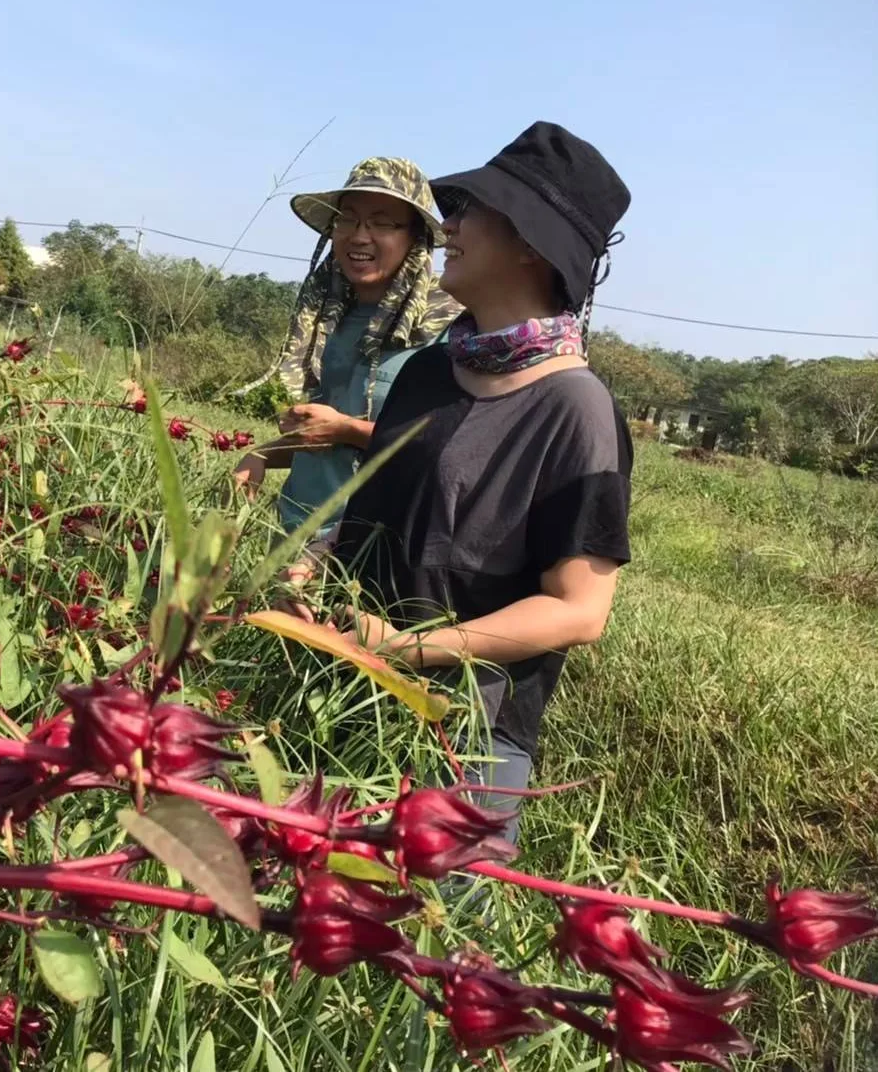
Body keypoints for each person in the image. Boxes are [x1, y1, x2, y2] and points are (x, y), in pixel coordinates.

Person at [282, 122, 634, 843]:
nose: (449, 227)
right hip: (348, 693)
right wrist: (314, 557)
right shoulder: (428, 372)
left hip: (464, 734)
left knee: (434, 912)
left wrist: (410, 649)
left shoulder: (576, 409)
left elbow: (579, 611)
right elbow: (380, 507)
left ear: (531, 243)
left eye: (471, 212)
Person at [232, 158, 461, 537]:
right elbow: (324, 437)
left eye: (382, 223)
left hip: (371, 547)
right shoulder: (325, 317)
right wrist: (262, 454)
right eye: (347, 219)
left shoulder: (446, 327)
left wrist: (347, 430)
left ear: (415, 238)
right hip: (293, 536)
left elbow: (449, 446)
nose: (359, 236)